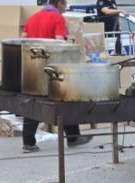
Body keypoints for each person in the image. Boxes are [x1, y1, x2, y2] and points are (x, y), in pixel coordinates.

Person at [21, 0, 93, 153]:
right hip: (51, 67)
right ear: (59, 3)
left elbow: (23, 39)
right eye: (64, 4)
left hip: (32, 68)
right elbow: (59, 41)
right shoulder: (58, 18)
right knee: (65, 99)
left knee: (33, 102)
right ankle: (73, 137)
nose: (65, 8)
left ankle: (28, 143)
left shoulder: (32, 18)